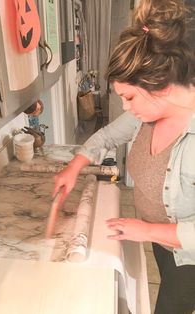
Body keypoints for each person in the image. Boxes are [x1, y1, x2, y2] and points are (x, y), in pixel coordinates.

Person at [53, 0, 195, 313]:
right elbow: (106, 136)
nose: (126, 106)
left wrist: (145, 230)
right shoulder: (147, 113)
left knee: (175, 303)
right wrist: (75, 166)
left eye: (129, 97)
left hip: (189, 259)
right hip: (163, 245)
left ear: (159, 85)